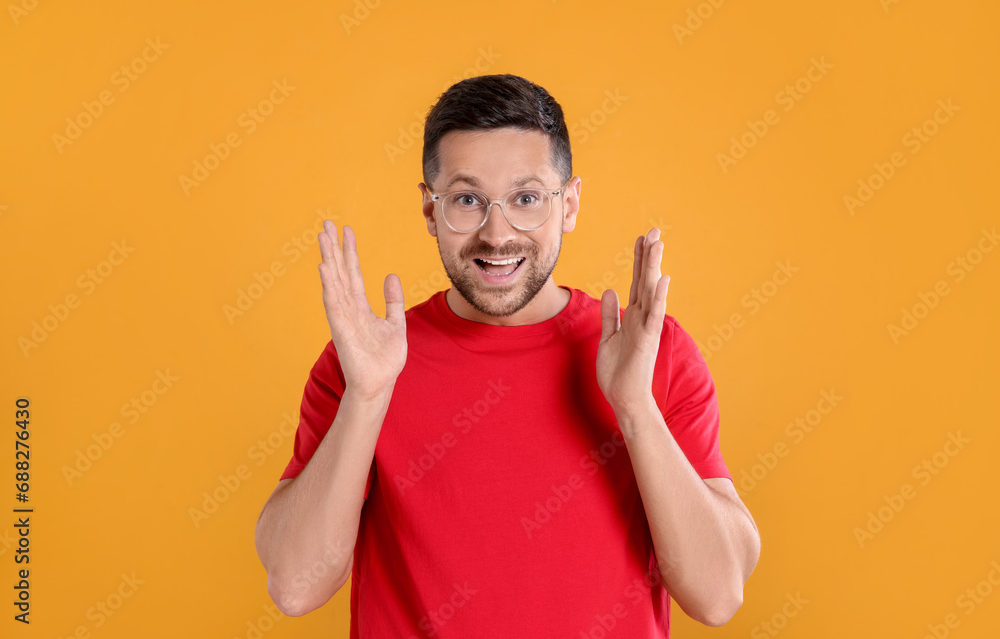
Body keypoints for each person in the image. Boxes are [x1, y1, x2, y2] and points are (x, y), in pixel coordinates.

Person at [254, 74, 760, 637]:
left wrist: (635, 409)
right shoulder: (365, 361)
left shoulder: (650, 351)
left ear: (568, 205)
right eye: (467, 200)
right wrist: (368, 397)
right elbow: (297, 585)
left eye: (526, 199)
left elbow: (717, 596)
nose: (497, 235)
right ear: (429, 209)